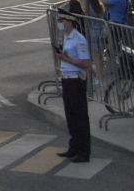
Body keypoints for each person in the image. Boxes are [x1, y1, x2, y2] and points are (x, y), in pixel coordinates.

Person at [55, 11, 92, 163]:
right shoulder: (66, 37)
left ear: (70, 22)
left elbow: (86, 63)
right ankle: (74, 147)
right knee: (71, 116)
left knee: (80, 117)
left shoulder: (79, 39)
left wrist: (67, 59)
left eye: (62, 20)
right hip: (67, 79)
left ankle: (84, 152)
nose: (60, 23)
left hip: (76, 80)